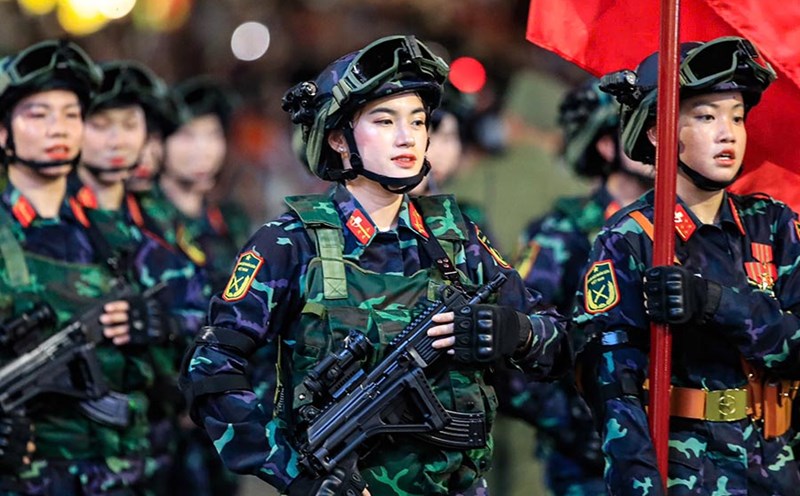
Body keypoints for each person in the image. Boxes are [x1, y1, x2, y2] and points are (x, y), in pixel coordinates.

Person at [180, 34, 571, 496]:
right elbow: (210, 366)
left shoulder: (454, 236)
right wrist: (295, 473)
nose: (407, 137)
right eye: (384, 121)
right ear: (340, 140)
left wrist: (513, 331)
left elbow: (557, 341)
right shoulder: (290, 242)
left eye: (419, 121)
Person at [572, 36, 800, 495]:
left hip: (779, 467)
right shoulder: (631, 239)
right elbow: (613, 387)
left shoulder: (775, 225)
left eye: (737, 116)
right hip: (686, 473)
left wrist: (717, 303)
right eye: (705, 116)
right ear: (659, 131)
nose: (728, 133)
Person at [0, 40, 153, 494]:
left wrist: (155, 334)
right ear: (3, 132)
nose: (58, 128)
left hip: (116, 473)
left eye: (71, 114)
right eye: (37, 114)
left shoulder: (114, 232)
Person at [496, 79, 653, 496]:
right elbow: (516, 356)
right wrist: (584, 430)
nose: (656, 137)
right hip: (590, 470)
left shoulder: (683, 231)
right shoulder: (563, 233)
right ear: (605, 146)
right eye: (638, 126)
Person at [69, 59, 211, 495]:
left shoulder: (161, 228)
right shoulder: (51, 225)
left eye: (130, 125)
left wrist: (166, 325)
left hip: (156, 450)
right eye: (100, 123)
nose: (117, 140)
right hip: (68, 456)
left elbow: (212, 321)